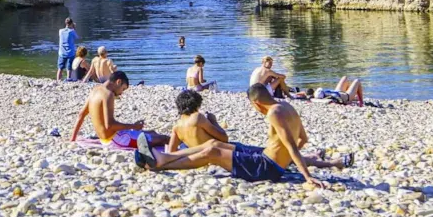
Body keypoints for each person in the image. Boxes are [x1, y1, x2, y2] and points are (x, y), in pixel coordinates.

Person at [135, 84, 354, 187]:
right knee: (213, 144)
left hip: (266, 168)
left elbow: (291, 145)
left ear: (257, 102)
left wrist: (307, 177)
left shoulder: (274, 113)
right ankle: (164, 158)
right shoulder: (287, 106)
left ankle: (161, 162)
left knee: (213, 151)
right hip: (269, 160)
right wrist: (283, 157)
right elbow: (302, 139)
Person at [70, 71, 168, 148]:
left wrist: (72, 139)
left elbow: (81, 115)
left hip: (108, 138)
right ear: (118, 82)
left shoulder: (95, 90)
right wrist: (133, 126)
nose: (121, 93)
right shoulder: (108, 94)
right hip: (116, 140)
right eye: (123, 89)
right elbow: (109, 125)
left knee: (152, 132)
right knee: (163, 139)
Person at [57, 17, 78, 82]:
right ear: (71, 23)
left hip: (62, 52)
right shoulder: (72, 31)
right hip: (70, 53)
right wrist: (74, 28)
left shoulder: (60, 31)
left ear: (65, 23)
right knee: (69, 68)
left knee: (60, 68)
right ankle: (68, 79)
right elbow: (77, 37)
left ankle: (58, 80)